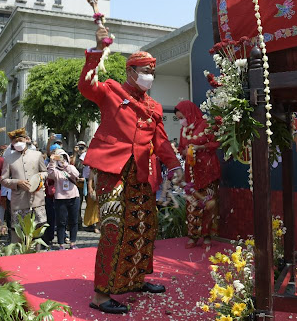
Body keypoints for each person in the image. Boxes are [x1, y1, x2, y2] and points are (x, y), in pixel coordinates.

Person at [79, 26, 183, 314]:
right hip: (112, 171)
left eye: (152, 71)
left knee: (143, 226)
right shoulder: (111, 91)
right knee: (113, 227)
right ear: (130, 71)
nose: (148, 75)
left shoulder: (155, 106)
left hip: (140, 173)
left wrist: (174, 166)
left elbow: (160, 141)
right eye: (143, 70)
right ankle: (101, 295)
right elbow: (87, 86)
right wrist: (96, 52)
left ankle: (135, 280)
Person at [175, 100, 221, 248]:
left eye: (182, 116)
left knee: (208, 203)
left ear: (189, 113)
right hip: (191, 172)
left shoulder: (206, 124)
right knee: (192, 204)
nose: (181, 120)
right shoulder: (183, 130)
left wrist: (199, 147)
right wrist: (184, 151)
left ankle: (207, 236)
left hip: (208, 171)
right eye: (179, 118)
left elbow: (216, 143)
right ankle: (193, 236)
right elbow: (181, 148)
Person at [0, 128, 47, 243]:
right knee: (18, 230)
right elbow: (3, 179)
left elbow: (45, 172)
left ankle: (37, 255)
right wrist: (17, 182)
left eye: (20, 140)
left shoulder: (37, 155)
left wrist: (38, 179)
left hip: (36, 199)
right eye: (15, 142)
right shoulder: (8, 158)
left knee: (38, 231)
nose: (18, 143)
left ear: (26, 139)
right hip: (19, 201)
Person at [47, 149, 80, 249]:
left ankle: (73, 242)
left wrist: (65, 164)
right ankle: (61, 243)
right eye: (60, 157)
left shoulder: (70, 167)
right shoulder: (55, 170)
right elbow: (50, 174)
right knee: (61, 222)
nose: (62, 159)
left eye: (64, 157)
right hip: (60, 198)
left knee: (74, 220)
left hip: (74, 196)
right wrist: (53, 161)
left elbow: (76, 174)